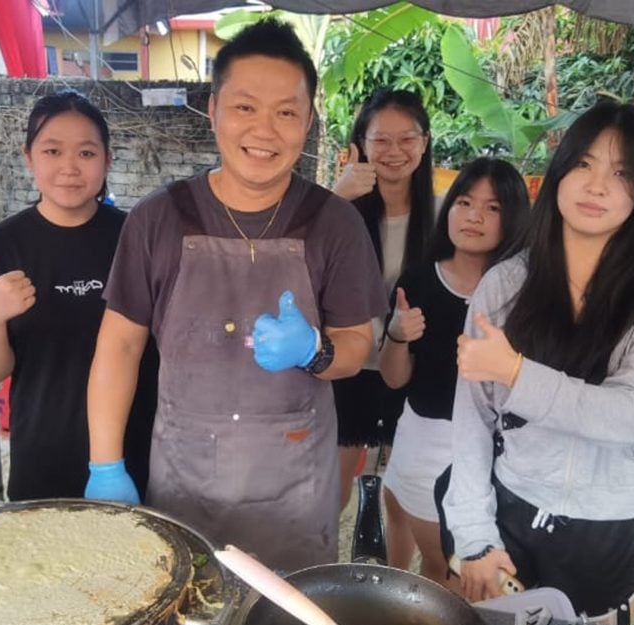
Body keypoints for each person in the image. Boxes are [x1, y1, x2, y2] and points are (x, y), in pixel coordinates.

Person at [86, 19, 387, 572]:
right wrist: (105, 464)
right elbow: (119, 348)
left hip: (294, 485)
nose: (265, 131)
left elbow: (357, 345)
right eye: (246, 107)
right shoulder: (158, 219)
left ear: (309, 121)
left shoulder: (334, 224)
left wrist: (315, 350)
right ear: (214, 111)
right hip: (184, 477)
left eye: (286, 112)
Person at [444, 101, 634, 617]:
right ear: (559, 173)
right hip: (511, 509)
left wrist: (515, 372)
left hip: (602, 531)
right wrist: (473, 537)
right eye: (584, 164)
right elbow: (471, 421)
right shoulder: (505, 286)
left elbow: (629, 416)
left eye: (622, 173)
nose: (597, 185)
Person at [0, 90, 158, 502]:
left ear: (107, 160)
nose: (69, 168)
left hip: (139, 445)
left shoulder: (137, 237)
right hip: (44, 453)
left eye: (86, 153)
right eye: (52, 151)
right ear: (29, 157)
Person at [379, 158, 528, 590]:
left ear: (514, 218)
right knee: (406, 526)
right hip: (423, 433)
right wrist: (396, 335)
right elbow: (393, 378)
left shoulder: (522, 293)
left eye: (493, 208)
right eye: (464, 202)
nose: (474, 216)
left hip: (488, 446)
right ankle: (386, 597)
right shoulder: (420, 281)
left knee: (447, 569)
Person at [332, 89, 437, 509]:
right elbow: (291, 255)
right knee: (333, 486)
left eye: (407, 138)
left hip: (411, 367)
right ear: (359, 144)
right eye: (380, 140)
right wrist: (336, 198)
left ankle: (396, 574)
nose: (394, 151)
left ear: (425, 143)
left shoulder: (443, 216)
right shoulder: (338, 211)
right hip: (346, 366)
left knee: (400, 498)